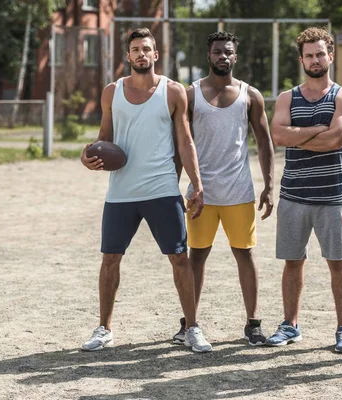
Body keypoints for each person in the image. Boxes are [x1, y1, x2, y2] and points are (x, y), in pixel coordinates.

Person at [79, 28, 212, 353]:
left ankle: (191, 328)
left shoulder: (173, 92)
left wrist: (196, 182)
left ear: (156, 54)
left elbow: (185, 140)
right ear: (128, 56)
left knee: (180, 258)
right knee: (110, 258)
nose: (141, 54)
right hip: (121, 191)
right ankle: (104, 328)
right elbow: (103, 138)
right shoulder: (112, 92)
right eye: (135, 49)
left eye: (146, 49)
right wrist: (88, 156)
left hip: (162, 188)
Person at [171, 31, 275, 347]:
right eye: (217, 51)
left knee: (245, 255)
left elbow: (265, 142)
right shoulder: (191, 94)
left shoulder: (250, 95)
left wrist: (270, 185)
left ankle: (253, 324)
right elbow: (180, 145)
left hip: (238, 192)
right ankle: (190, 325)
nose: (222, 56)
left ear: (235, 56)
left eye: (228, 52)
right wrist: (173, 187)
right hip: (201, 193)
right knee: (196, 257)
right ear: (209, 55)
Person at [267, 27, 342, 353]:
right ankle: (290, 325)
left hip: (332, 196)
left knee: (338, 263)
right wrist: (319, 129)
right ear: (301, 58)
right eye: (309, 55)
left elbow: (337, 139)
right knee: (292, 263)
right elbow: (277, 136)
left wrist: (300, 133)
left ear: (330, 56)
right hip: (293, 195)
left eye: (320, 54)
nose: (315, 60)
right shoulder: (287, 97)